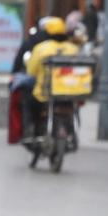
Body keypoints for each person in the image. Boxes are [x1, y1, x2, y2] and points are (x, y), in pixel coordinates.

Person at [23, 15, 81, 146]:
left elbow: (31, 71)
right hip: (69, 94)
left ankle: (29, 131)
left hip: (43, 94)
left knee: (27, 102)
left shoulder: (41, 48)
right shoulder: (73, 49)